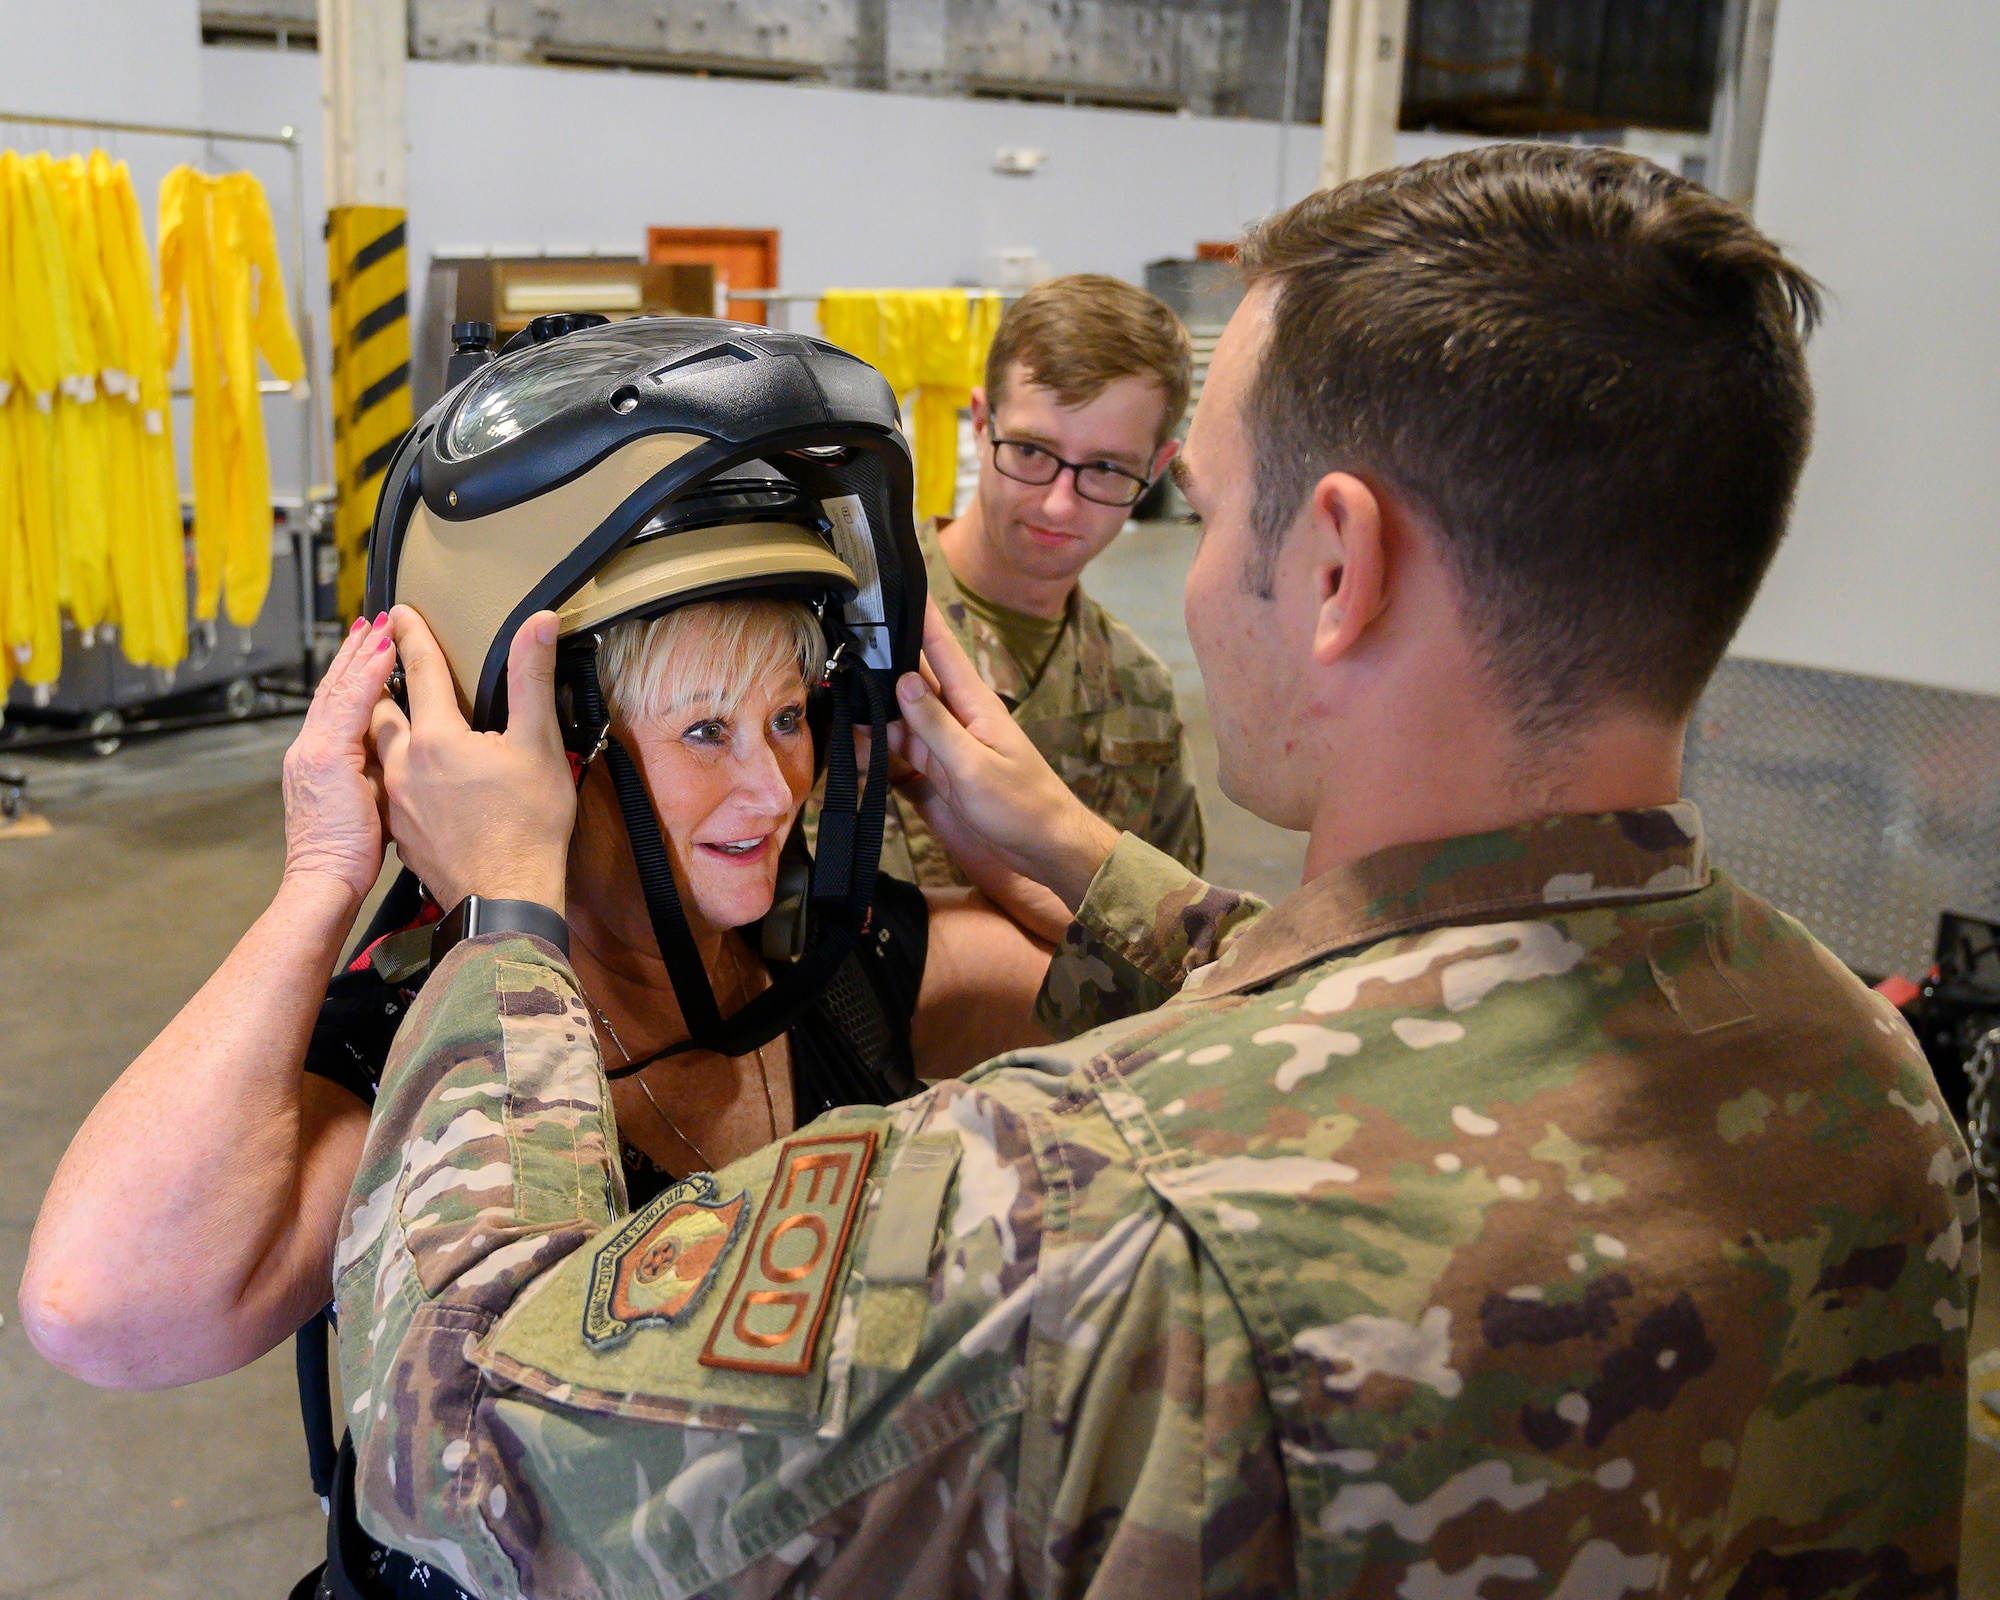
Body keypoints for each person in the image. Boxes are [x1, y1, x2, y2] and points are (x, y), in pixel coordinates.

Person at [132, 147, 1996, 1594]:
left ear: (1336, 563)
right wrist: (1096, 864)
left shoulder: (1078, 1203)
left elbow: (470, 1434)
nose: (1161, 564)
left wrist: (508, 919)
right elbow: (1394, 1026)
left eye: (1195, 497)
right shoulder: (1857, 1069)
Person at [19, 326, 1066, 1395]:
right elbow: (98, 1309)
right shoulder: (418, 1051)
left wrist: (1039, 845)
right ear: (536, 750)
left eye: (789, 715)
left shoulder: (835, 965)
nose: (773, 788)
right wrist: (323, 876)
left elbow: (1200, 1028)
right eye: (704, 731)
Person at [874, 272, 1207, 884]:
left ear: (1158, 467)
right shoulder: (853, 630)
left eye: (1106, 467)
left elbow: (1174, 961)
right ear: (981, 422)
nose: (1059, 505)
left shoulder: (1143, 698)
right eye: (1031, 451)